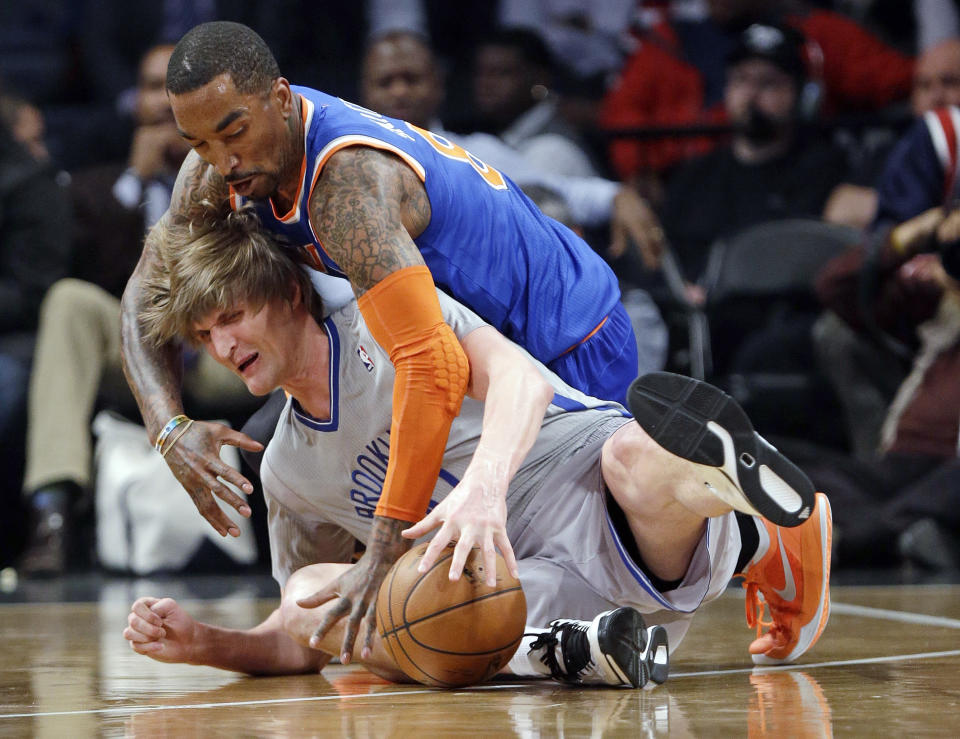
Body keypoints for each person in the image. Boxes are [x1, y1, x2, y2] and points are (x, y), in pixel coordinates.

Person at [123, 210, 830, 686]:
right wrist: (205, 643)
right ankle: (574, 650)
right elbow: (304, 632)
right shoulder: (287, 468)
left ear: (285, 291)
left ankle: (753, 527)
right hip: (508, 595)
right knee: (315, 592)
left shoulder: (387, 318)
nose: (222, 347)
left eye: (232, 317)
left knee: (634, 456)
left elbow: (521, 378)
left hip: (580, 484)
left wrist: (483, 490)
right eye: (205, 336)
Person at [119, 21, 645, 661]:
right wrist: (169, 429)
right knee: (472, 573)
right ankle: (565, 648)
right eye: (198, 142)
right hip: (465, 334)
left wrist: (385, 543)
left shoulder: (347, 190)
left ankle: (757, 542)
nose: (222, 160)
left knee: (593, 548)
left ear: (281, 98)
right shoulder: (217, 171)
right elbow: (144, 294)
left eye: (233, 132)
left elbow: (432, 366)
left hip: (564, 329)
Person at [17, 44, 254, 577]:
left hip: (223, 353)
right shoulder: (98, 188)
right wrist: (135, 184)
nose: (164, 103)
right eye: (153, 86)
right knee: (68, 302)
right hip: (136, 355)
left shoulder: (240, 175)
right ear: (136, 100)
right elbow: (83, 274)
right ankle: (50, 513)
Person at [600, 0, 914, 186]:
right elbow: (624, 115)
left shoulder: (816, 34)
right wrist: (638, 171)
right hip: (686, 183)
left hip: (792, 177)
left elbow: (905, 79)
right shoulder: (669, 40)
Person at [824, 36, 960, 230]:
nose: (936, 96)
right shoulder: (890, 151)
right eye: (924, 85)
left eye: (949, 82)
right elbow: (840, 211)